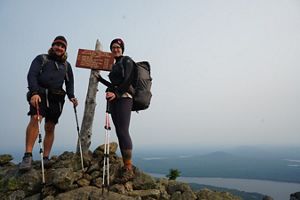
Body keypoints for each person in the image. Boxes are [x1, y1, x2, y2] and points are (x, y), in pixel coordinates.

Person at [19, 36, 78, 171]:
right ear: (52, 46)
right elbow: (31, 75)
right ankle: (28, 155)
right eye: (57, 45)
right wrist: (33, 93)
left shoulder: (66, 66)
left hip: (56, 98)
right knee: (35, 119)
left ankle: (45, 158)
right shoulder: (42, 59)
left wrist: (72, 96)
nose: (59, 48)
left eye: (62, 46)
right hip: (39, 94)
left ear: (65, 49)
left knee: (50, 127)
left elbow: (70, 83)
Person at [97, 38, 135, 182]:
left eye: (118, 47)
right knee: (119, 130)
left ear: (122, 48)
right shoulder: (115, 64)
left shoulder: (127, 61)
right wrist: (100, 80)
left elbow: (128, 80)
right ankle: (126, 164)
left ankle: (128, 167)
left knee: (123, 130)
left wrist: (117, 93)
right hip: (115, 98)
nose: (115, 49)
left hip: (124, 97)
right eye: (113, 47)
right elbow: (115, 84)